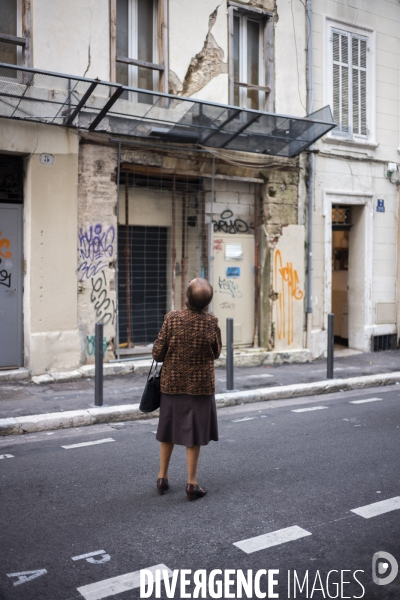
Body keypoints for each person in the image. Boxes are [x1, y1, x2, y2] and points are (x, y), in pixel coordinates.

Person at [152, 278, 222, 501]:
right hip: (200, 387)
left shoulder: (172, 318)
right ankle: (192, 484)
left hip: (172, 384)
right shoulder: (211, 322)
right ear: (208, 302)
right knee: (193, 435)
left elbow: (157, 353)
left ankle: (162, 478)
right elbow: (216, 352)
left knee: (168, 430)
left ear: (187, 297)